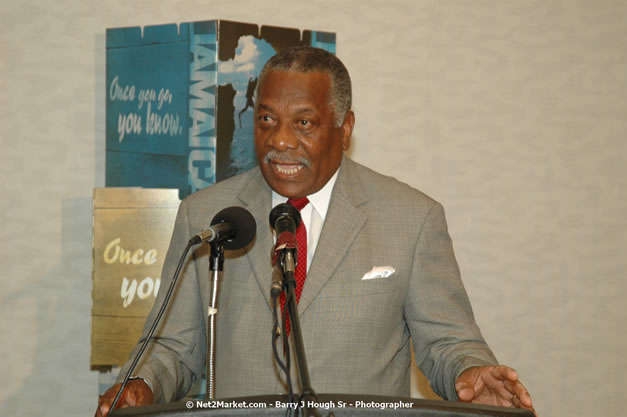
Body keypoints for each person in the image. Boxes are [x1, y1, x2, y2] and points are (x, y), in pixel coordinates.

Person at [97, 46, 536, 416]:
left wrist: (470, 372)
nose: (280, 140)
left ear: (344, 130)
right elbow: (172, 346)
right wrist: (141, 383)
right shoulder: (206, 215)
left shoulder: (412, 219)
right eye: (267, 120)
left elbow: (448, 340)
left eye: (303, 123)